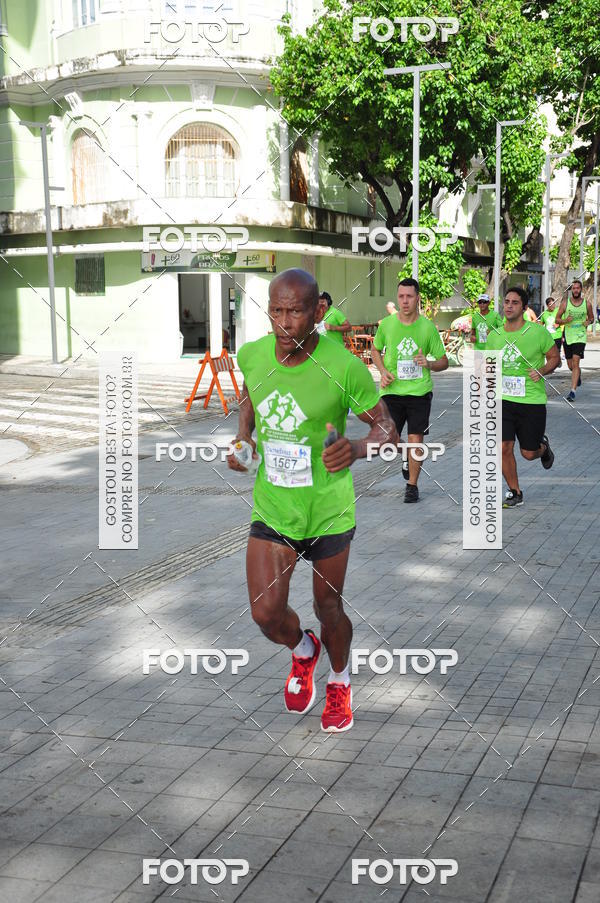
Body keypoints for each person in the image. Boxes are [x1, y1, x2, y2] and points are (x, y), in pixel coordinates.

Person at [228, 269, 396, 733]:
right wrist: (245, 435)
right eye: (276, 311)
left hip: (328, 512)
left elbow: (388, 431)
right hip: (275, 507)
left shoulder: (343, 366)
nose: (284, 324)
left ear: (318, 312)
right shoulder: (254, 354)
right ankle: (304, 651)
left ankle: (339, 681)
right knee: (265, 613)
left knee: (329, 608)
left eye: (295, 312)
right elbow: (251, 392)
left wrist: (359, 448)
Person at [371, 278, 448, 503]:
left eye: (409, 296)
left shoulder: (427, 327)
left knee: (416, 440)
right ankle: (405, 453)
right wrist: (383, 371)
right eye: (401, 296)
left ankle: (412, 486)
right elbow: (375, 350)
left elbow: (444, 361)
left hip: (419, 393)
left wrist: (429, 363)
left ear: (417, 298)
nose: (405, 301)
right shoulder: (386, 325)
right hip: (392, 390)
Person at [486, 286, 559, 508]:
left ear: (525, 307)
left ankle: (543, 448)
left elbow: (554, 357)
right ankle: (515, 492)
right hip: (503, 401)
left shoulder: (537, 333)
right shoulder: (494, 336)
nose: (509, 305)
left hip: (531, 402)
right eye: (506, 301)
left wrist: (542, 371)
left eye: (514, 302)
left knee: (528, 453)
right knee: (503, 447)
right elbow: (488, 367)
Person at [555, 279, 593, 401]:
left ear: (581, 289)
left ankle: (572, 391)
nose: (576, 290)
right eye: (574, 288)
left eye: (578, 288)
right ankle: (578, 375)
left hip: (580, 336)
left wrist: (589, 321)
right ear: (571, 290)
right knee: (571, 366)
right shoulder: (565, 303)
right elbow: (557, 319)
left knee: (576, 363)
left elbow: (591, 318)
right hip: (568, 336)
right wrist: (565, 321)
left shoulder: (586, 304)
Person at [540, 296, 563, 367]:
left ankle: (558, 360)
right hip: (548, 336)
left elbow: (563, 320)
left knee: (557, 351)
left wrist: (558, 324)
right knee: (549, 352)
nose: (553, 305)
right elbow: (541, 324)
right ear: (547, 305)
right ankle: (551, 365)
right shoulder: (544, 314)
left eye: (554, 303)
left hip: (557, 335)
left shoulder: (558, 311)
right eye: (551, 304)